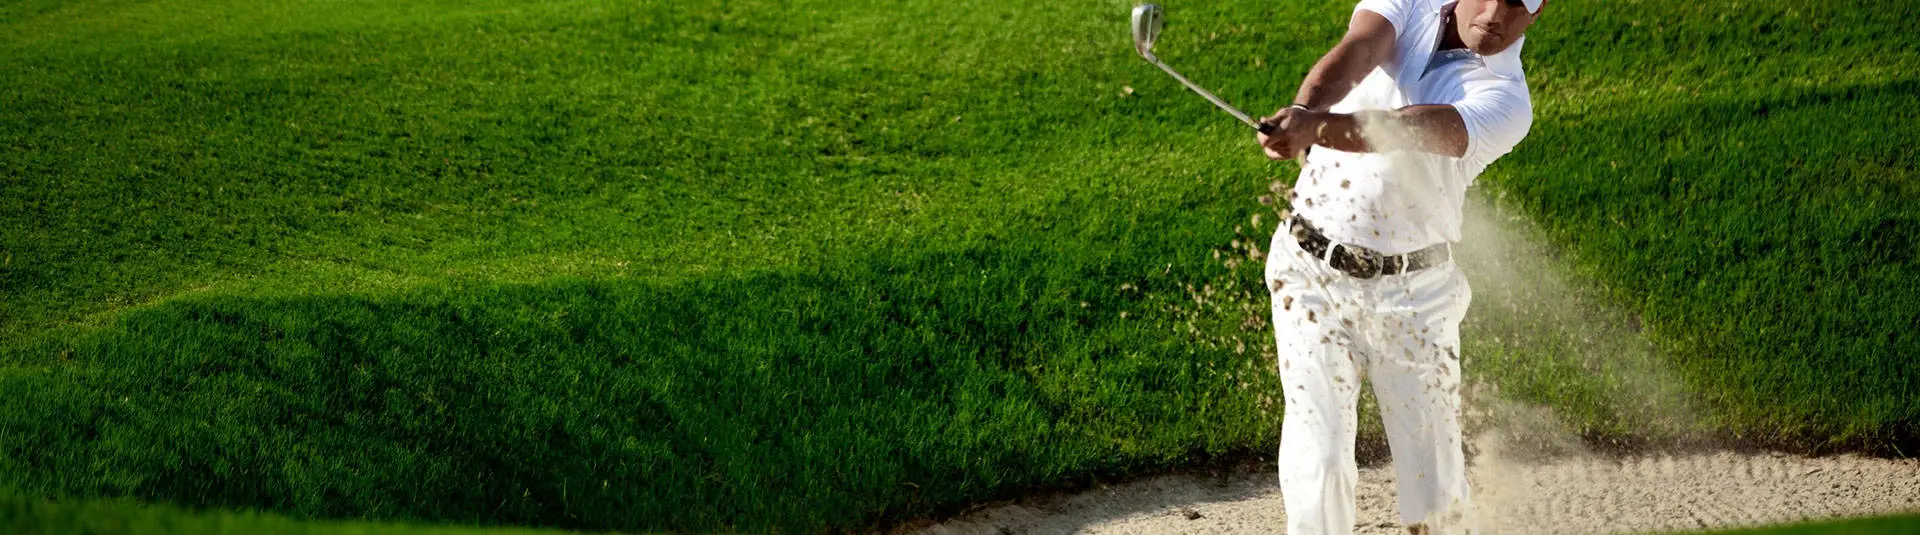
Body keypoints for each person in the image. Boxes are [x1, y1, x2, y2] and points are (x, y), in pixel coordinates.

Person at [1254, 0, 1545, 533]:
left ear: (1540, 11)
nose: (1497, 15)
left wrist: (1314, 128)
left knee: (1433, 492)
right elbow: (1361, 49)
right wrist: (1302, 110)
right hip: (1309, 274)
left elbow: (1410, 128)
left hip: (1416, 298)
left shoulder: (1508, 100)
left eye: (1517, 5)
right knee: (1317, 464)